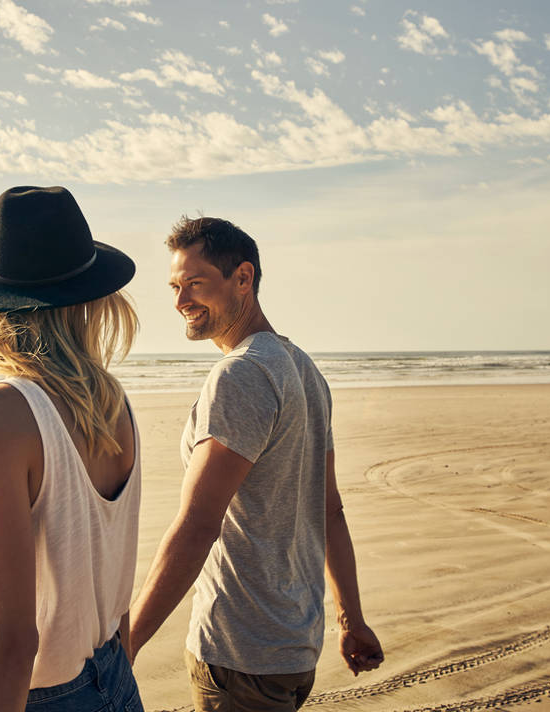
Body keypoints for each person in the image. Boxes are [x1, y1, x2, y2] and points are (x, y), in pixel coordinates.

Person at [127, 216, 383, 711]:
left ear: (242, 278)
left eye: (195, 284)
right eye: (175, 286)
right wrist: (351, 621)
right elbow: (329, 511)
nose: (180, 302)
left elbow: (199, 524)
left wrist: (127, 642)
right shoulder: (303, 368)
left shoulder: (241, 376)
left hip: (240, 654)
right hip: (292, 648)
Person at [0, 186, 144, 712]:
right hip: (115, 676)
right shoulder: (111, 403)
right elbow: (110, 579)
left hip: (46, 696)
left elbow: (14, 638)